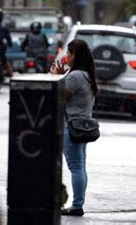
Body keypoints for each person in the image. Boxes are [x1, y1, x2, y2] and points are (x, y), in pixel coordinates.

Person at [53, 39, 98, 217]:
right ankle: (78, 203)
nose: (67, 56)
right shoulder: (86, 75)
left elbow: (58, 94)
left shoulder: (76, 76)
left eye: (69, 53)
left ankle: (77, 205)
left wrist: (56, 77)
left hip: (70, 127)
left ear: (75, 55)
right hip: (81, 126)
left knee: (76, 167)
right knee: (80, 167)